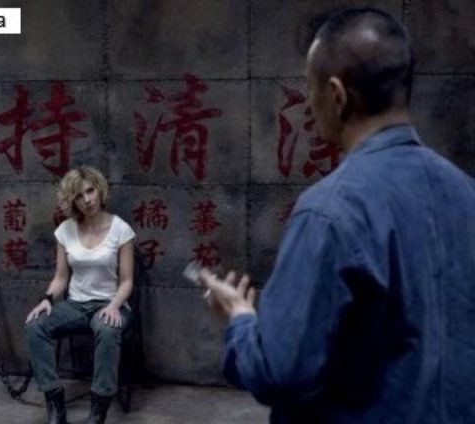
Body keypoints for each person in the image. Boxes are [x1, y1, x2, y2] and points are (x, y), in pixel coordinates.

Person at [199, 7, 475, 423]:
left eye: (309, 89)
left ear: (337, 95)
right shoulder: (465, 192)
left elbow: (280, 371)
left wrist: (240, 319)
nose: (309, 105)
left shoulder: (330, 211)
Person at [25, 165, 135, 424]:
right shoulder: (65, 230)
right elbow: (61, 277)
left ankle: (98, 411)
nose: (87, 200)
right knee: (35, 325)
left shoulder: (121, 229)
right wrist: (46, 299)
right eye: (78, 196)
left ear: (99, 190)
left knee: (107, 329)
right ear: (72, 201)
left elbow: (127, 281)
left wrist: (114, 306)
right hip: (75, 306)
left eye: (90, 191)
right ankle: (55, 402)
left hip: (110, 303)